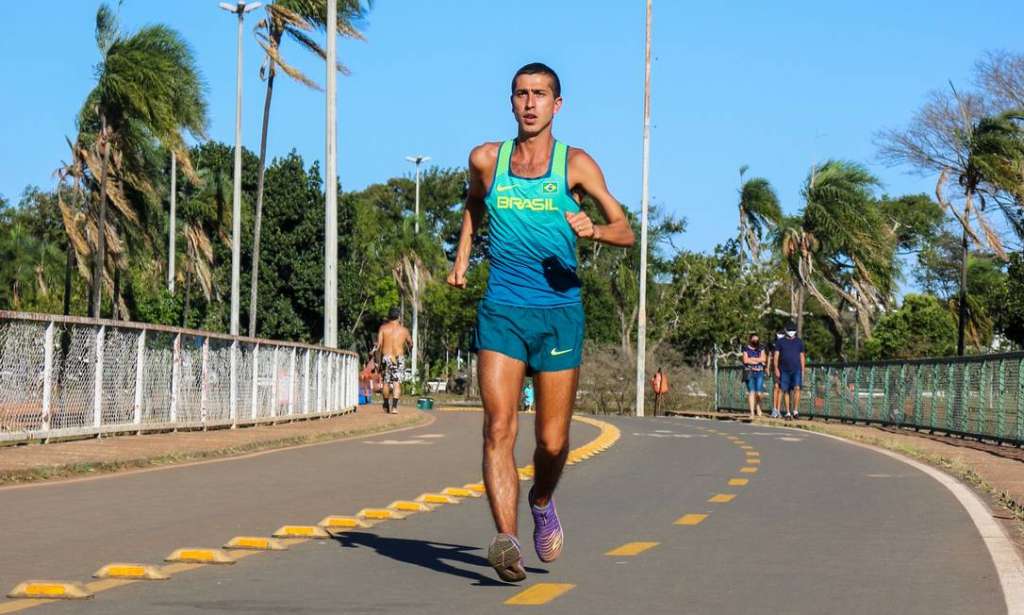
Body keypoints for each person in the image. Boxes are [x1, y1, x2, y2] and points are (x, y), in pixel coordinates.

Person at [447, 62, 635, 582]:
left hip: (559, 314)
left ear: (558, 104)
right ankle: (505, 540)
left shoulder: (575, 165)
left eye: (540, 95)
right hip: (503, 308)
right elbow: (473, 203)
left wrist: (592, 229)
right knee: (499, 428)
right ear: (511, 102)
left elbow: (626, 231)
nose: (530, 103)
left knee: (551, 442)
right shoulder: (488, 159)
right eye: (521, 94)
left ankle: (542, 498)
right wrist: (463, 257)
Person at [373, 308, 411, 414]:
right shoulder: (404, 330)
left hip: (387, 357)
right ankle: (394, 407)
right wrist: (407, 345)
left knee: (386, 382)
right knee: (396, 382)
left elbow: (379, 345)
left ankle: (386, 403)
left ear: (389, 317)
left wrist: (376, 360)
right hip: (399, 358)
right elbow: (410, 343)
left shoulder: (383, 328)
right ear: (399, 317)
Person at [773, 321, 806, 420]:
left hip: (796, 369)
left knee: (797, 388)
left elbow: (802, 356)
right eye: (790, 330)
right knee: (786, 390)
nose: (792, 332)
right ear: (786, 331)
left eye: (793, 331)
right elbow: (776, 356)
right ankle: (787, 412)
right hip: (784, 370)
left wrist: (803, 370)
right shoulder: (780, 342)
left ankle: (795, 411)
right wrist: (776, 369)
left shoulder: (799, 342)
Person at [741, 334, 765, 418]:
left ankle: (758, 406)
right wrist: (757, 360)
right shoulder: (745, 348)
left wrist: (752, 359)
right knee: (751, 392)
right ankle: (752, 412)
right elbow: (745, 360)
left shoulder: (761, 348)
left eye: (757, 340)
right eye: (754, 340)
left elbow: (763, 359)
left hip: (759, 372)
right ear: (750, 340)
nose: (755, 341)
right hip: (749, 372)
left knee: (759, 393)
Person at [768, 331, 783, 418]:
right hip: (775, 368)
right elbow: (770, 356)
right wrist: (768, 367)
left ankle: (778, 409)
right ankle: (774, 409)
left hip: (784, 368)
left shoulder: (785, 343)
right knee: (776, 387)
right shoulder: (773, 344)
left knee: (781, 388)